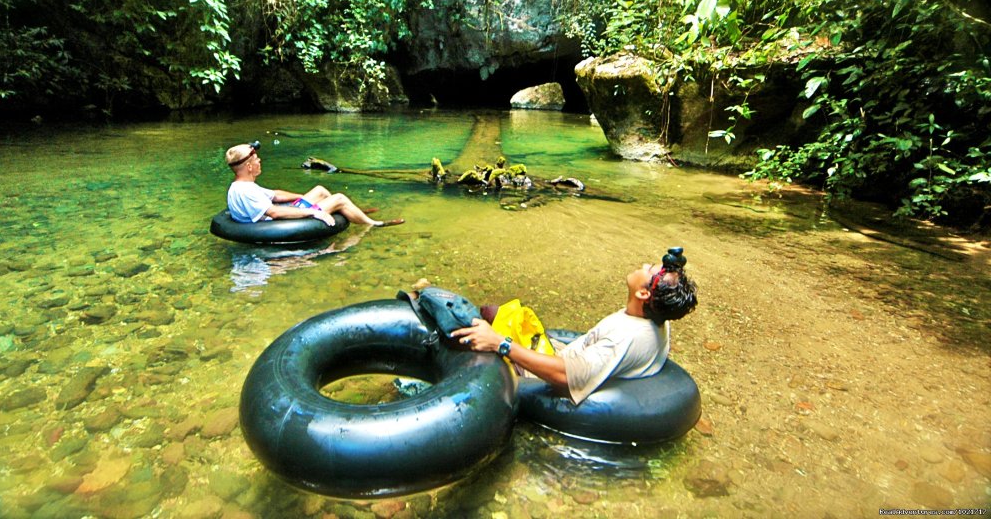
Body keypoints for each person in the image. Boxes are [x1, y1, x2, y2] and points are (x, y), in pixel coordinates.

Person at [450, 247, 697, 405]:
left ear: (643, 293)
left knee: (464, 331)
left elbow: (564, 376)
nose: (644, 265)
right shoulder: (655, 316)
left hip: (544, 377)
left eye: (649, 269)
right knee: (495, 312)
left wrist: (499, 343)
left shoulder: (624, 338)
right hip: (566, 355)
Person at [224, 141, 404, 227]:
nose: (260, 161)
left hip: (273, 216)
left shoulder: (241, 185)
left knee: (320, 190)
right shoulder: (247, 191)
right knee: (339, 198)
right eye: (256, 159)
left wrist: (301, 197)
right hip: (273, 224)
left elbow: (275, 195)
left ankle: (354, 211)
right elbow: (275, 211)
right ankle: (373, 224)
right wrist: (312, 211)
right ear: (248, 166)